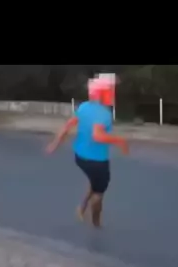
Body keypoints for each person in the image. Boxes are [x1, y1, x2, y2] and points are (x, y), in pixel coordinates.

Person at [46, 82, 129, 228]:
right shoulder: (104, 113)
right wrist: (120, 141)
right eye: (110, 92)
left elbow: (67, 126)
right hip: (97, 161)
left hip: (80, 157)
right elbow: (97, 136)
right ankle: (96, 223)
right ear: (103, 94)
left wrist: (54, 145)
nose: (112, 95)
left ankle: (82, 207)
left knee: (94, 181)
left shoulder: (84, 106)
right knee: (99, 193)